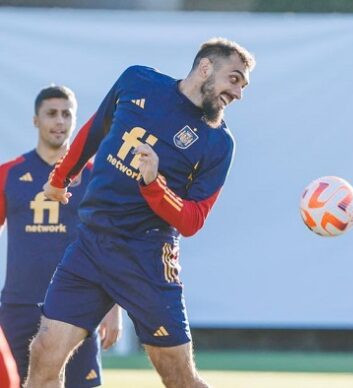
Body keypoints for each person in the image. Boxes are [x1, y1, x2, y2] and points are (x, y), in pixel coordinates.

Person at [24, 38, 255, 388]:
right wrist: (60, 179)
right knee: (44, 353)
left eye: (243, 86)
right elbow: (95, 129)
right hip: (91, 244)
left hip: (146, 257)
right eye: (234, 79)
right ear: (206, 67)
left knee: (180, 378)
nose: (238, 93)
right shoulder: (137, 81)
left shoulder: (219, 144)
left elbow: (192, 220)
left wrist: (154, 184)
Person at [0, 86, 121, 387]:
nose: (59, 121)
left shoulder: (95, 176)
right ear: (35, 120)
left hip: (77, 307)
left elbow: (111, 243)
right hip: (17, 308)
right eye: (51, 114)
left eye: (66, 114)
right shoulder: (9, 174)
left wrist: (113, 306)